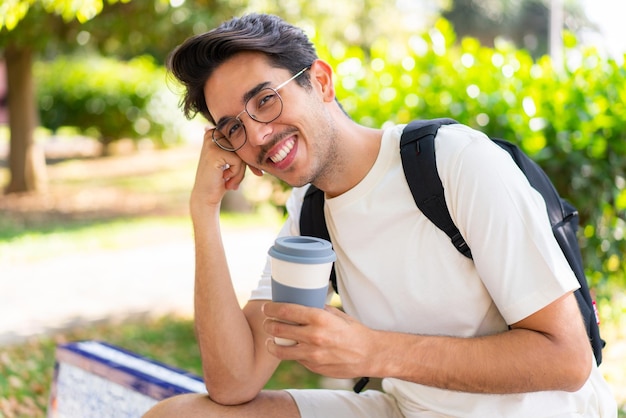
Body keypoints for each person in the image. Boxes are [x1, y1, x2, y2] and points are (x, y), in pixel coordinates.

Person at [144, 13, 617, 418]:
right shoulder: (311, 214)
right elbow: (235, 382)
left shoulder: (452, 163)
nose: (259, 136)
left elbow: (568, 359)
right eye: (233, 129)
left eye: (265, 100)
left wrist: (373, 351)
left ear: (321, 81)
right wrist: (203, 212)